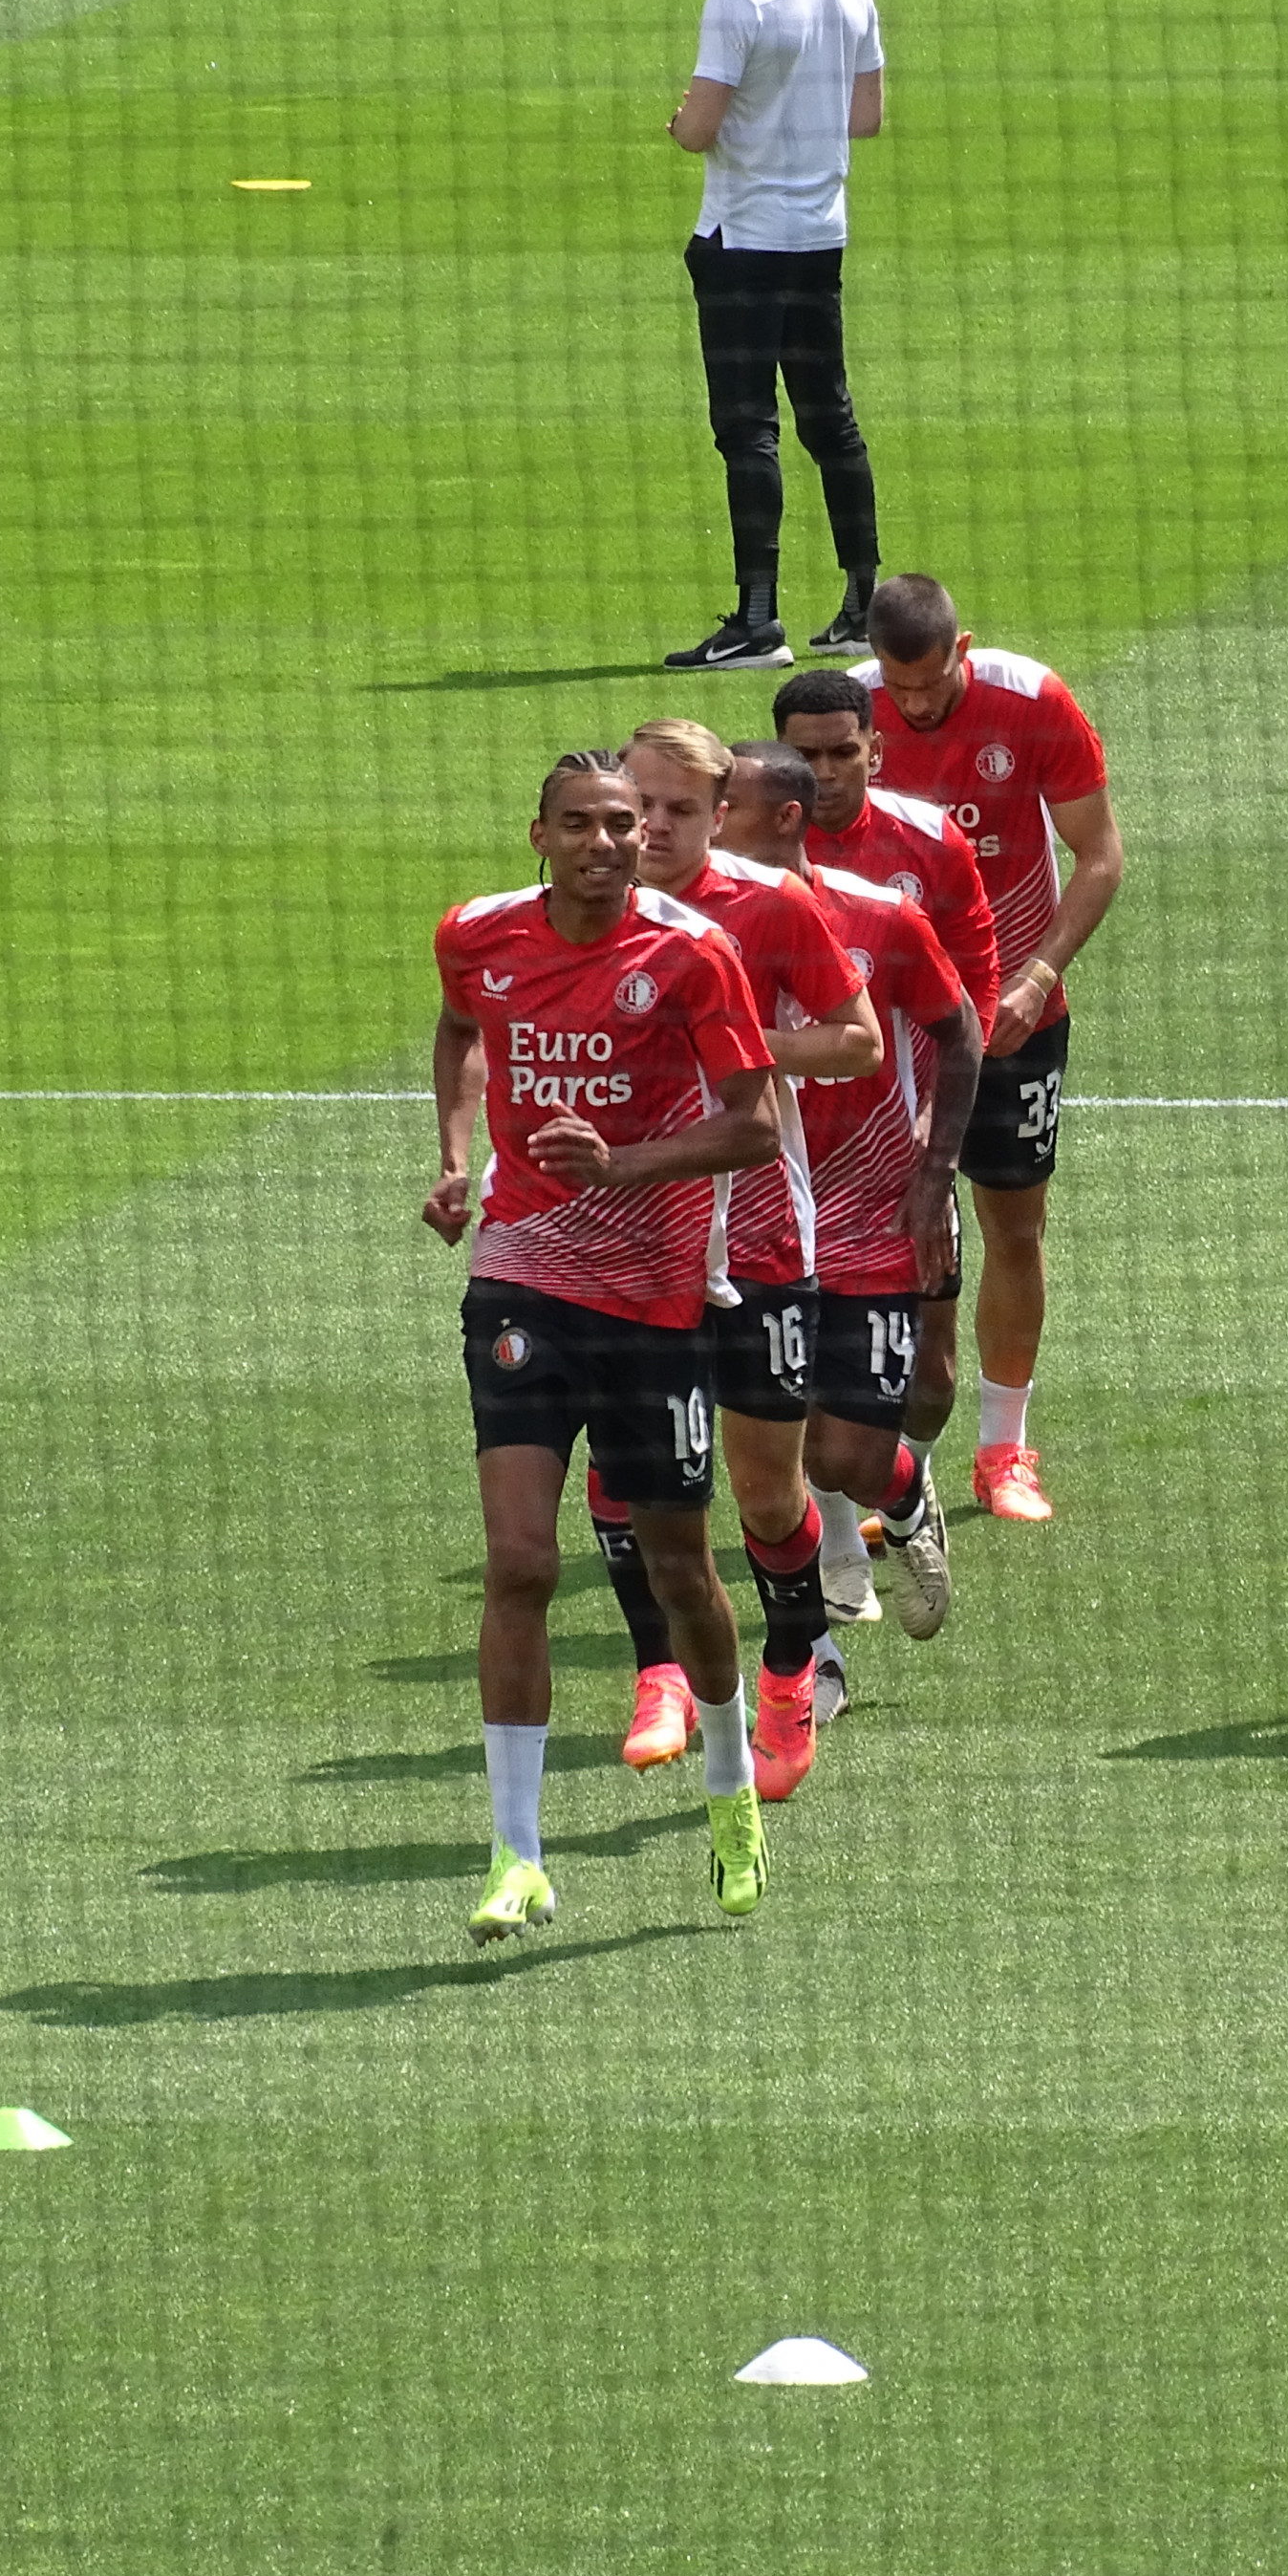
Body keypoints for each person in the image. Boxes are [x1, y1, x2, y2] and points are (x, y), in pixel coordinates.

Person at [424, 757, 782, 1930]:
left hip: (654, 1304)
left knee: (682, 1572)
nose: (603, 842)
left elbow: (755, 1125)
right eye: (578, 824)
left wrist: (621, 1166)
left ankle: (732, 1802)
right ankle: (515, 1853)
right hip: (521, 1280)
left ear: (645, 839)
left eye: (622, 824)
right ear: (539, 834)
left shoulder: (692, 956)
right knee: (520, 1563)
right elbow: (459, 1026)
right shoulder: (477, 935)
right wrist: (458, 1155)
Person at [612, 718, 872, 1801]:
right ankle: (659, 1673)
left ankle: (793, 1671)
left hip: (761, 1232)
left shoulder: (769, 908)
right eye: (641, 806)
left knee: (768, 1492)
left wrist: (733, 1045)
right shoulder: (587, 915)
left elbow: (855, 1037)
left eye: (678, 809)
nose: (654, 826)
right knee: (626, 1478)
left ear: (722, 816)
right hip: (627, 1241)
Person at [851, 575, 1125, 1524]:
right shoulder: (851, 718)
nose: (915, 707)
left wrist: (1038, 976)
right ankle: (884, 1457)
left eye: (929, 686)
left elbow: (1099, 854)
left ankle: (1004, 1450)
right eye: (901, 687)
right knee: (883, 1240)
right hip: (894, 1032)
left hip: (1016, 1022)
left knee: (1015, 1226)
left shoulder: (1033, 700)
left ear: (961, 650)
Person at [716, 737, 982, 1685]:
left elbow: (960, 1032)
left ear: (781, 819)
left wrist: (934, 1168)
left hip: (869, 1215)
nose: (704, 823)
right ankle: (812, 1659)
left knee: (849, 1453)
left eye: (722, 806)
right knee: (773, 1453)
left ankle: (904, 1499)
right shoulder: (689, 926)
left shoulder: (880, 919)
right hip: (752, 1220)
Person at [775, 666, 998, 1606]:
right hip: (777, 1181)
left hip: (894, 1167)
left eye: (842, 752)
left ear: (875, 747)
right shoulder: (738, 862)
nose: (826, 773)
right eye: (806, 755)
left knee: (934, 1383)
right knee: (791, 1410)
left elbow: (973, 996)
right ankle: (837, 1561)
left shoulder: (927, 850)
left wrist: (932, 1137)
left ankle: (902, 1486)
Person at [662, 0, 886, 674]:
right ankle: (862, 608)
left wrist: (685, 119)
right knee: (832, 419)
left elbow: (697, 130)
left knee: (747, 429)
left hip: (743, 244)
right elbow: (865, 115)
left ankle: (758, 622)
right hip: (819, 238)